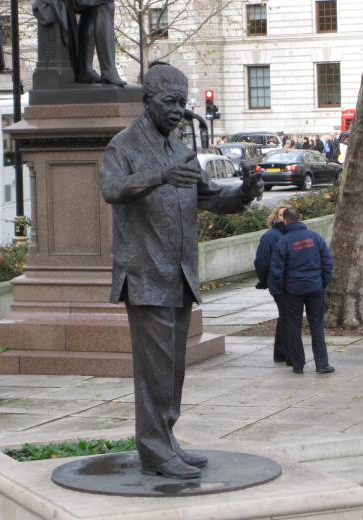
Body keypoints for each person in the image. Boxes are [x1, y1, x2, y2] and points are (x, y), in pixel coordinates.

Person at [100, 62, 263, 479]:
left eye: (182, 102)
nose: (177, 110)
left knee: (172, 371)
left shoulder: (179, 148)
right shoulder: (124, 145)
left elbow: (210, 198)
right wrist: (158, 176)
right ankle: (154, 449)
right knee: (154, 371)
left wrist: (242, 193)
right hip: (145, 275)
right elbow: (112, 190)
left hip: (179, 276)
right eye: (169, 102)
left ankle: (166, 440)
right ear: (147, 100)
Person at [269, 207, 335, 375]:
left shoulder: (284, 241)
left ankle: (298, 364)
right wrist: (323, 282)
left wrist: (281, 289)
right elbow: (327, 262)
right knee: (317, 325)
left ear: (285, 220)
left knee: (293, 325)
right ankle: (322, 364)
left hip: (293, 290)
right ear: (299, 218)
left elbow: (277, 270)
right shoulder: (315, 237)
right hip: (315, 287)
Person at [254, 207, 290, 364]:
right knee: (287, 316)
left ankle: (281, 352)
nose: (284, 218)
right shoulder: (270, 237)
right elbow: (261, 261)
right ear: (276, 217)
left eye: (287, 215)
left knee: (286, 316)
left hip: (290, 282)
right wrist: (264, 281)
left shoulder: (292, 234)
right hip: (279, 283)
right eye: (282, 215)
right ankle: (284, 352)